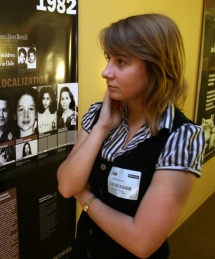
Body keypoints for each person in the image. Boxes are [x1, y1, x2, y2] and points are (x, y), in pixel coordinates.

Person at [57, 14, 205, 258]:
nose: (106, 72)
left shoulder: (181, 137)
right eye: (108, 59)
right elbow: (65, 185)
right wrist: (103, 126)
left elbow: (141, 242)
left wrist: (85, 197)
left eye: (121, 62)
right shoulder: (98, 114)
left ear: (156, 67)